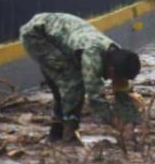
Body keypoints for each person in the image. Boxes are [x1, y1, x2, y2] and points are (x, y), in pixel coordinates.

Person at [20, 12, 142, 142]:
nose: (116, 81)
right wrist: (116, 123)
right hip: (37, 35)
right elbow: (95, 98)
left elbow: (123, 93)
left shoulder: (118, 57)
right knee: (73, 82)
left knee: (65, 80)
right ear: (111, 70)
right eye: (117, 78)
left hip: (59, 32)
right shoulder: (92, 57)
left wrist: (129, 122)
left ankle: (57, 129)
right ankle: (68, 133)